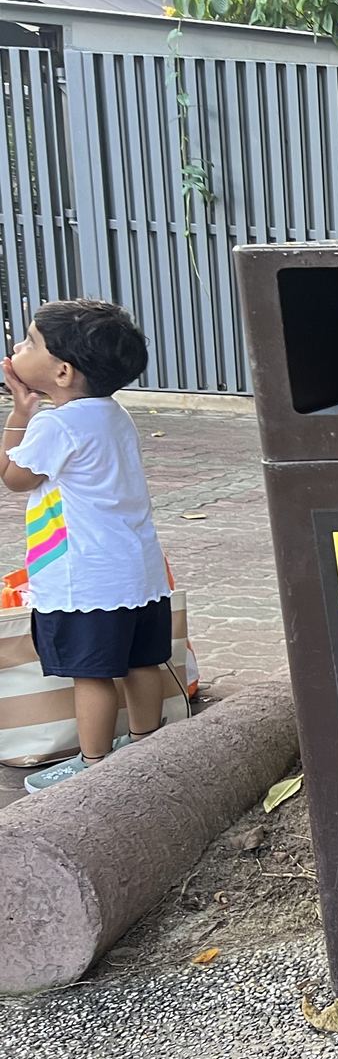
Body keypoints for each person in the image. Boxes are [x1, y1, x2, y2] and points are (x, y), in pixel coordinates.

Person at [2, 300, 172, 791]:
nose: (18, 347)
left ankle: (94, 765)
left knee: (91, 675)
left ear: (61, 371)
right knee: (142, 662)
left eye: (31, 341)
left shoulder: (57, 425)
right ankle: (147, 742)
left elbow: (14, 478)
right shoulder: (113, 414)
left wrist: (19, 413)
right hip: (138, 572)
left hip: (86, 579)